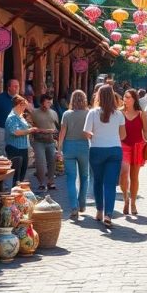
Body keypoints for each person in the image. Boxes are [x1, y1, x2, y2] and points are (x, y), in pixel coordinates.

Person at [83, 84, 125, 227]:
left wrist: (95, 135)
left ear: (98, 96)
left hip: (97, 150)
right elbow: (123, 135)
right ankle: (108, 214)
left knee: (98, 181)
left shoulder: (93, 113)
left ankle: (99, 210)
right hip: (114, 150)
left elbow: (86, 133)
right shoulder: (119, 114)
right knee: (110, 184)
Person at [119, 89, 147, 216]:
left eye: (128, 97)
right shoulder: (119, 113)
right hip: (123, 145)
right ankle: (125, 198)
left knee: (134, 177)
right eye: (124, 97)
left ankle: (133, 202)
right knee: (123, 174)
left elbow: (145, 131)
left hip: (138, 146)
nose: (125, 99)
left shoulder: (142, 114)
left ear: (134, 99)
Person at [57, 90, 90, 220]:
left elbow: (62, 133)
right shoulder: (88, 113)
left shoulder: (66, 114)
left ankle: (73, 207)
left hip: (69, 146)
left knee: (70, 178)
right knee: (84, 176)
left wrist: (59, 148)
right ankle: (82, 204)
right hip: (84, 147)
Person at [4, 95, 36, 185]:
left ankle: (18, 195)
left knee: (22, 174)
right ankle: (13, 194)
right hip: (15, 148)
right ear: (19, 105)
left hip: (23, 148)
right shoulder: (12, 117)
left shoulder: (20, 116)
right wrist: (29, 130)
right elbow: (15, 132)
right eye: (24, 106)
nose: (25, 108)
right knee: (16, 175)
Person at [30, 94, 60, 190]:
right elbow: (30, 127)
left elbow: (56, 128)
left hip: (50, 141)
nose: (50, 104)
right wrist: (44, 131)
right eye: (48, 102)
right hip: (38, 141)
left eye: (51, 102)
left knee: (52, 162)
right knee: (41, 163)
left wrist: (56, 136)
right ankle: (41, 183)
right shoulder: (34, 112)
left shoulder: (54, 113)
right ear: (42, 102)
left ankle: (51, 182)